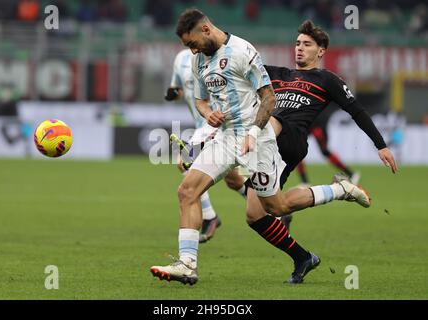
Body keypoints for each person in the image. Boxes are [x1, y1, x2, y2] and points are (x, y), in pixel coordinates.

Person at [150, 10, 374, 286]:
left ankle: (339, 190)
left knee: (274, 206)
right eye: (186, 46)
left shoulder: (243, 51)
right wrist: (207, 113)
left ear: (206, 29)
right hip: (225, 137)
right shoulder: (199, 61)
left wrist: (254, 133)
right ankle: (187, 264)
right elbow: (201, 101)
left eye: (192, 42)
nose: (190, 49)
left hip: (259, 138)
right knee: (187, 190)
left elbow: (268, 99)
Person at [241, 20, 397, 283]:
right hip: (269, 144)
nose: (299, 48)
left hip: (290, 139)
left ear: (321, 51)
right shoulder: (277, 74)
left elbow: (356, 111)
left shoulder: (327, 80)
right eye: (298, 43)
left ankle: (218, 155)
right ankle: (305, 255)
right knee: (261, 213)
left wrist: (380, 144)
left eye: (307, 44)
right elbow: (242, 71)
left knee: (266, 121)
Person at [165, 48, 247, 243]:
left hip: (217, 123)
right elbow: (180, 90)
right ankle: (272, 210)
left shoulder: (220, 57)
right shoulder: (181, 58)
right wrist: (173, 94)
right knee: (233, 180)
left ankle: (210, 217)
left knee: (185, 161)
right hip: (201, 123)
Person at [296, 104, 361, 187]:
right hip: (306, 123)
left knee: (324, 151)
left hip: (317, 123)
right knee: (297, 150)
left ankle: (351, 174)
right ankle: (305, 182)